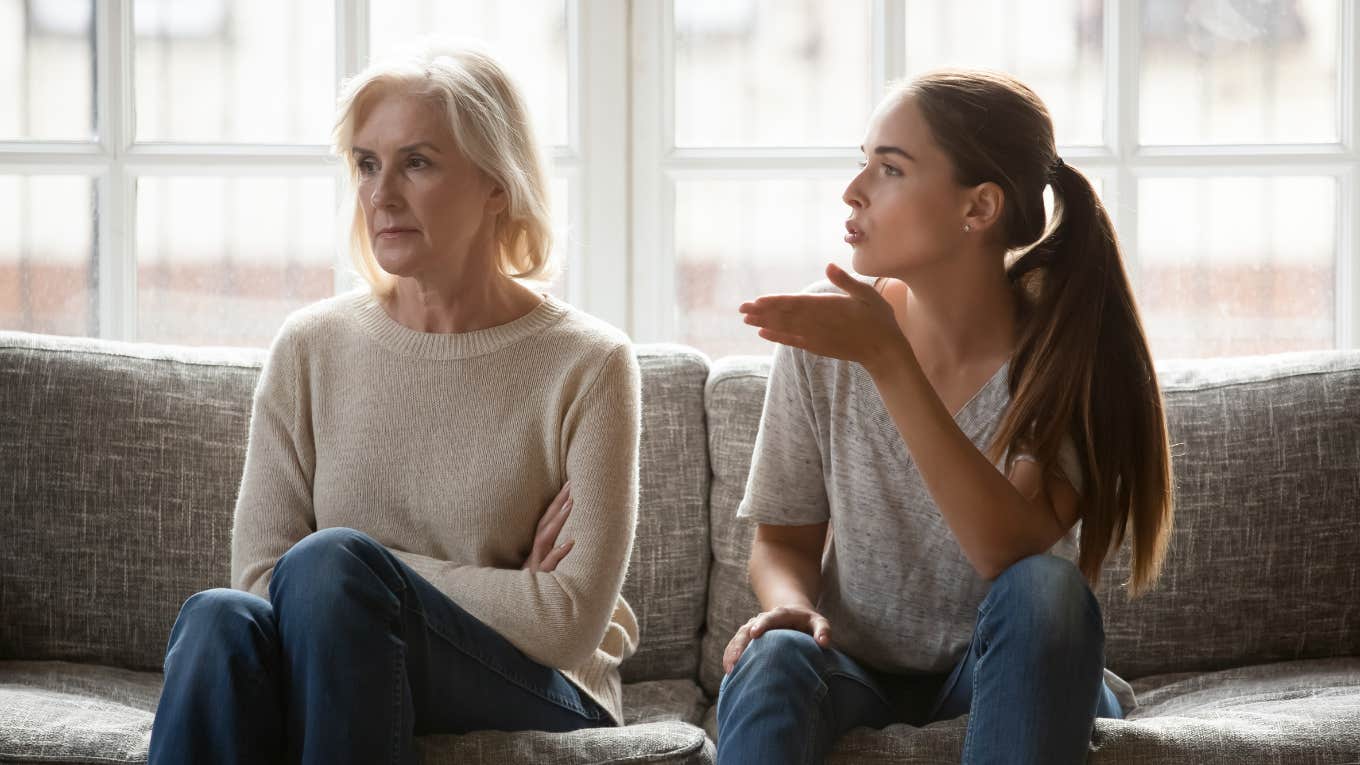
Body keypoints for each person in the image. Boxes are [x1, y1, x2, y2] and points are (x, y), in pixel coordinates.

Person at [148, 40, 641, 765]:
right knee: (218, 620)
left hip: (541, 685)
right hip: (339, 663)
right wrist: (494, 586)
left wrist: (364, 577)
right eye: (367, 164)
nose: (381, 195)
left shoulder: (589, 363)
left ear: (496, 182)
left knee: (330, 566)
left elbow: (566, 621)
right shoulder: (310, 347)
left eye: (417, 162)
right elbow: (259, 580)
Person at [717, 68, 1175, 765]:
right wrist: (791, 605)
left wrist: (888, 360)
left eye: (890, 168)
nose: (853, 190)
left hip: (1011, 669)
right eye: (861, 162)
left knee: (1045, 589)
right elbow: (782, 539)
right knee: (774, 654)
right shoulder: (831, 333)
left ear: (979, 207)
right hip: (854, 672)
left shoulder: (1064, 356)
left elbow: (1006, 550)